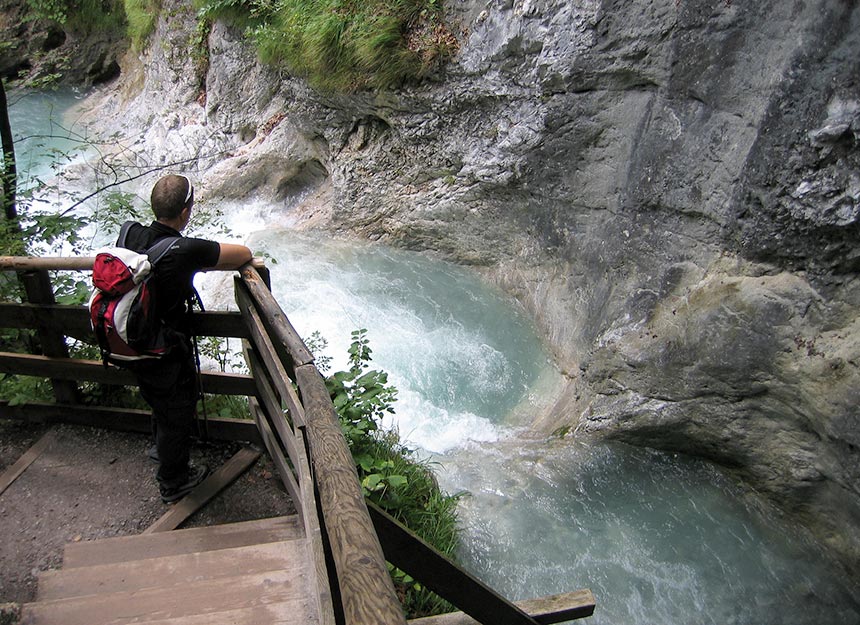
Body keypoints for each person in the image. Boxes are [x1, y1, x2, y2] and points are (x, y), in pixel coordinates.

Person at [120, 173, 253, 503]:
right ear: (185, 212)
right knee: (176, 410)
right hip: (163, 346)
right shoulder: (184, 249)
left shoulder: (131, 233)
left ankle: (160, 450)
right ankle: (173, 481)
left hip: (130, 337)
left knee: (158, 400)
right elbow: (243, 252)